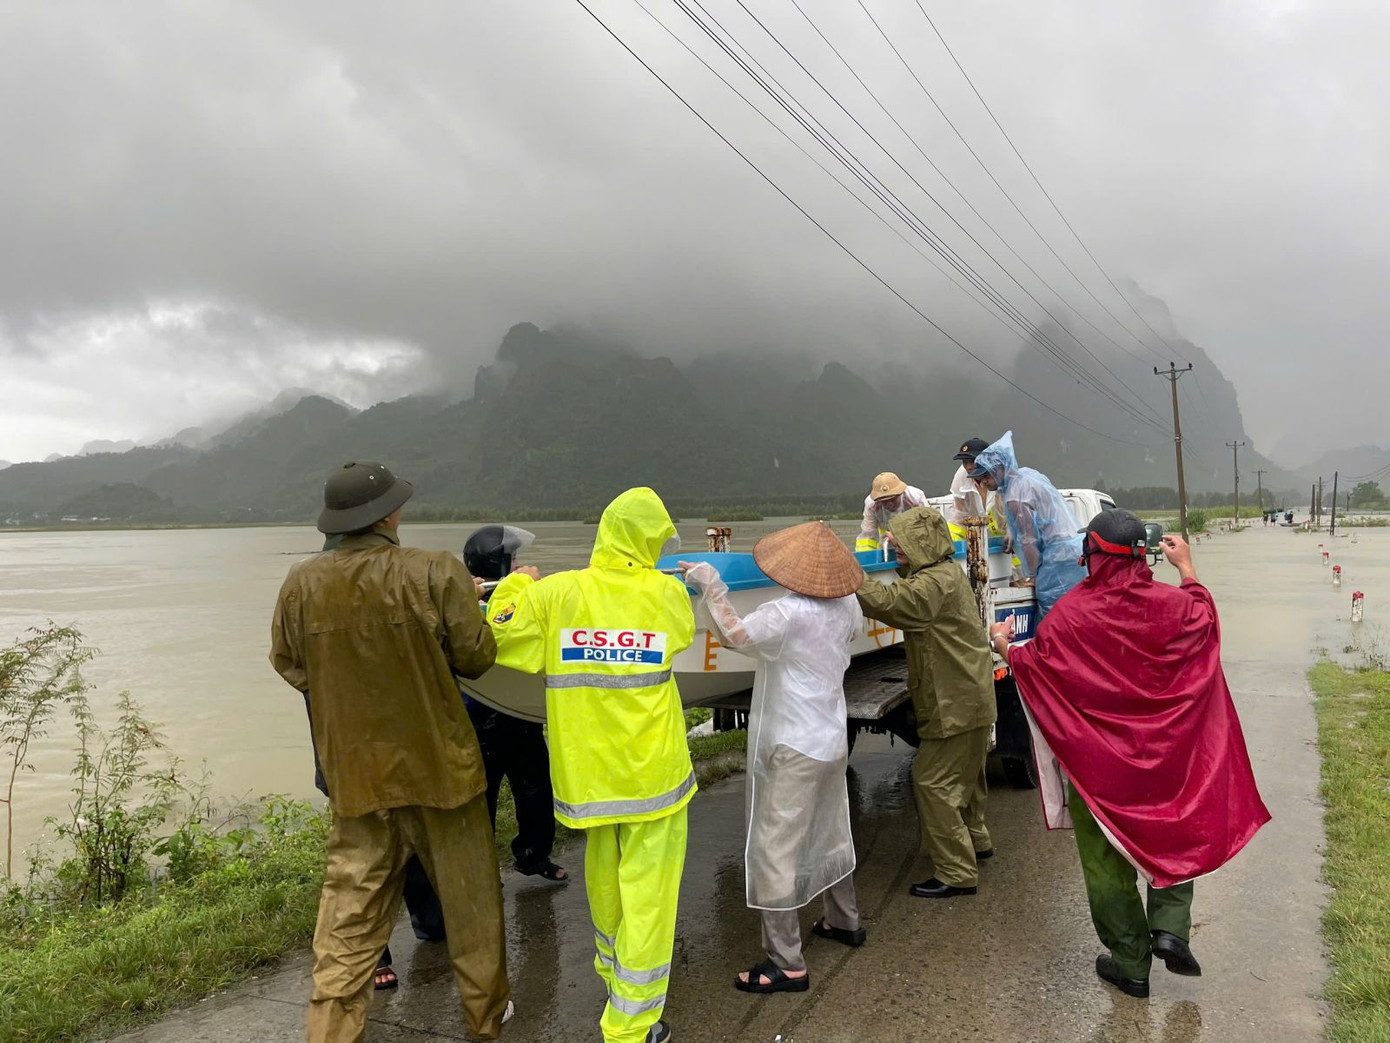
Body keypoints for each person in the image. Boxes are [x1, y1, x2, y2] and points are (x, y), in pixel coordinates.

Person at [270, 461, 512, 1041]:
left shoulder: (300, 584)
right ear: (389, 515)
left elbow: (289, 662)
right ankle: (484, 1027)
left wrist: (343, 684)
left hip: (357, 782)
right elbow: (477, 656)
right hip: (443, 775)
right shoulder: (435, 571)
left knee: (345, 930)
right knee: (472, 916)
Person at [990, 511, 1270, 998]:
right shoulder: (1176, 608)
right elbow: (1204, 620)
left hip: (1099, 771)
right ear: (1145, 554)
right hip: (1169, 759)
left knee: (1105, 863)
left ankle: (1130, 965)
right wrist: (1187, 569)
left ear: (1091, 556)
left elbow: (1036, 665)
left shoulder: (1072, 616)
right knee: (1175, 831)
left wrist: (1004, 648)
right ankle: (1170, 927)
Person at [485, 487, 694, 1043]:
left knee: (604, 881)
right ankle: (630, 1024)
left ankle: (612, 976)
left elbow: (500, 633)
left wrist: (516, 581)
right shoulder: (668, 593)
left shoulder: (558, 593)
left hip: (591, 778)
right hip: (655, 777)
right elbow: (682, 635)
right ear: (647, 540)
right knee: (649, 897)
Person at [680, 522, 866, 995]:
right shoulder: (847, 605)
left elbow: (735, 635)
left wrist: (712, 585)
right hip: (829, 737)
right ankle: (845, 921)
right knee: (831, 828)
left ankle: (786, 962)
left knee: (774, 852)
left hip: (793, 745)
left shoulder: (786, 613)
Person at [853, 506, 996, 899]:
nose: (893, 545)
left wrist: (849, 576)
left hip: (953, 702)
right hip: (970, 698)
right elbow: (908, 588)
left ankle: (957, 873)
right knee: (966, 780)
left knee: (933, 783)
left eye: (901, 542)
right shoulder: (946, 573)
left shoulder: (933, 585)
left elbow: (889, 603)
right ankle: (977, 842)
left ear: (923, 545)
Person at [462, 525, 567, 883]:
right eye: (515, 559)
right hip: (480, 719)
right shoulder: (469, 604)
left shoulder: (520, 597)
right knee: (482, 802)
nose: (521, 564)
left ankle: (534, 856)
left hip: (521, 715)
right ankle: (481, 873)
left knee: (536, 790)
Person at [968, 431, 1086, 620]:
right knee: (1077, 612)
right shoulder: (1028, 475)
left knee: (1055, 617)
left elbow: (1029, 539)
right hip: (1074, 551)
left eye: (986, 477)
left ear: (1000, 468)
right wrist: (1012, 532)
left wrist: (1032, 576)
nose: (983, 483)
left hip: (1058, 560)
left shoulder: (1015, 497)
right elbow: (1043, 517)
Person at [945, 437, 1007, 543]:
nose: (968, 467)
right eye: (965, 462)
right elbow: (959, 515)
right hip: (978, 536)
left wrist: (1012, 532)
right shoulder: (961, 476)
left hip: (1007, 534)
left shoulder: (1001, 475)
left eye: (973, 461)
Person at [855, 471, 928, 552]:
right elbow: (867, 535)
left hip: (916, 549)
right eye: (884, 501)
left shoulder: (915, 498)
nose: (889, 504)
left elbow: (929, 530)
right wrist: (865, 558)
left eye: (892, 499)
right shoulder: (872, 505)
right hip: (888, 548)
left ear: (900, 493)